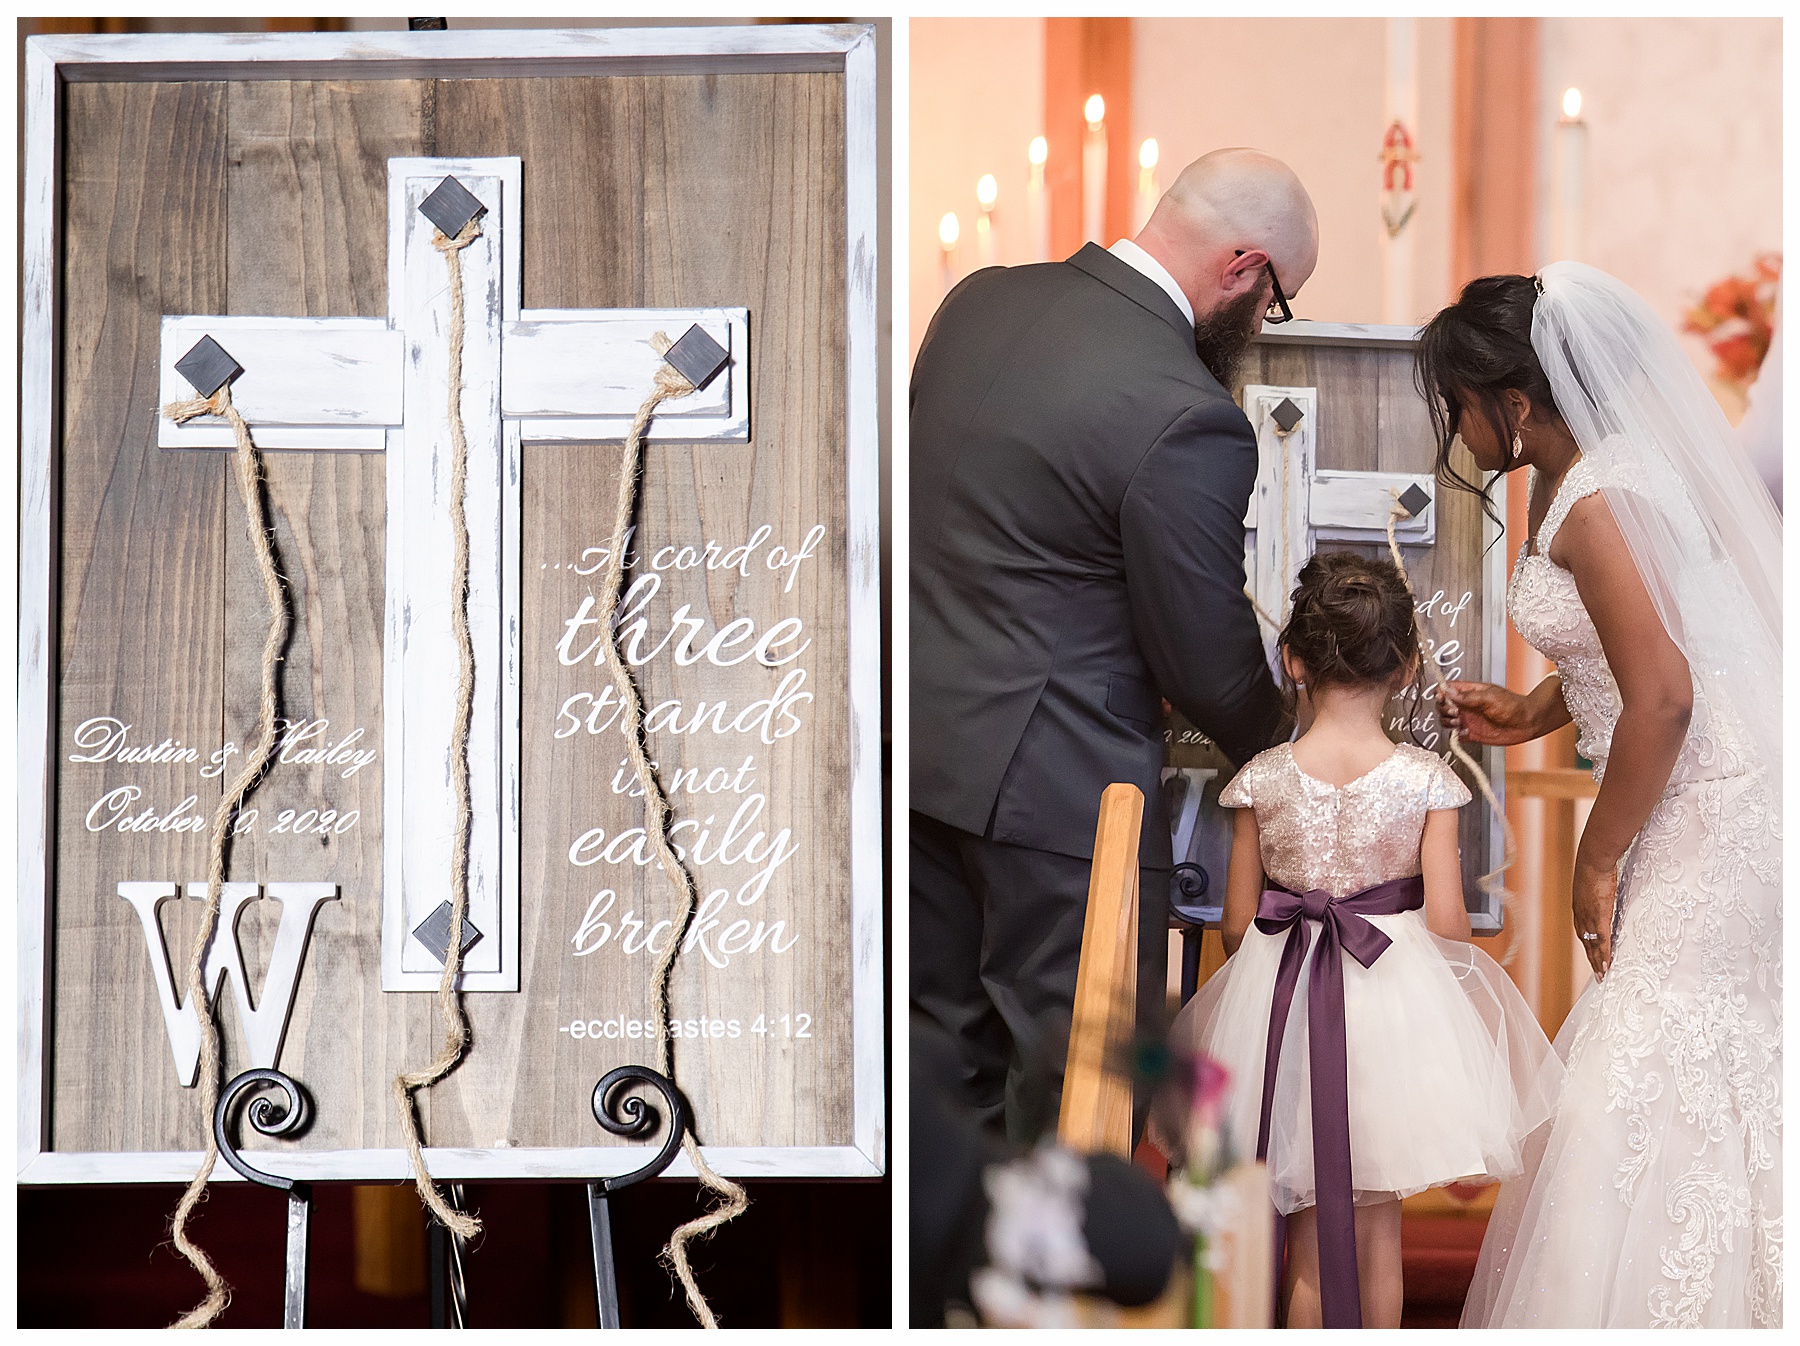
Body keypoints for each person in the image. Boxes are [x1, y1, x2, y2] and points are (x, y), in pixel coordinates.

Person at [910, 148, 1314, 1143]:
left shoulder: (979, 303)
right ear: (1244, 265)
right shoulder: (1186, 414)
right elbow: (1204, 659)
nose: (1264, 326)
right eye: (1278, 302)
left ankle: (941, 1293)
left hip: (916, 761)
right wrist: (1297, 753)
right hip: (1060, 794)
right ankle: (1049, 1301)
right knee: (1073, 1104)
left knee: (941, 1087)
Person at [1421, 264, 1782, 1328]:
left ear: (1516, 405)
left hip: (1710, 808)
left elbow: (1665, 693)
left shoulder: (1599, 497)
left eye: (1459, 406)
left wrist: (1597, 855)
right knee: (1702, 1052)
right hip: (1714, 789)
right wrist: (1534, 712)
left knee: (1655, 1044)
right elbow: (1661, 654)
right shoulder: (1609, 471)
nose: (1457, 430)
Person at [1162, 553, 1561, 1328]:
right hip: (1390, 1006)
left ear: (1294, 660)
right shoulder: (1425, 780)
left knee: (1308, 1229)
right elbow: (1446, 922)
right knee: (1378, 1228)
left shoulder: (1260, 778)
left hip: (1280, 1001)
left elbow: (1240, 924)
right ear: (1409, 666)